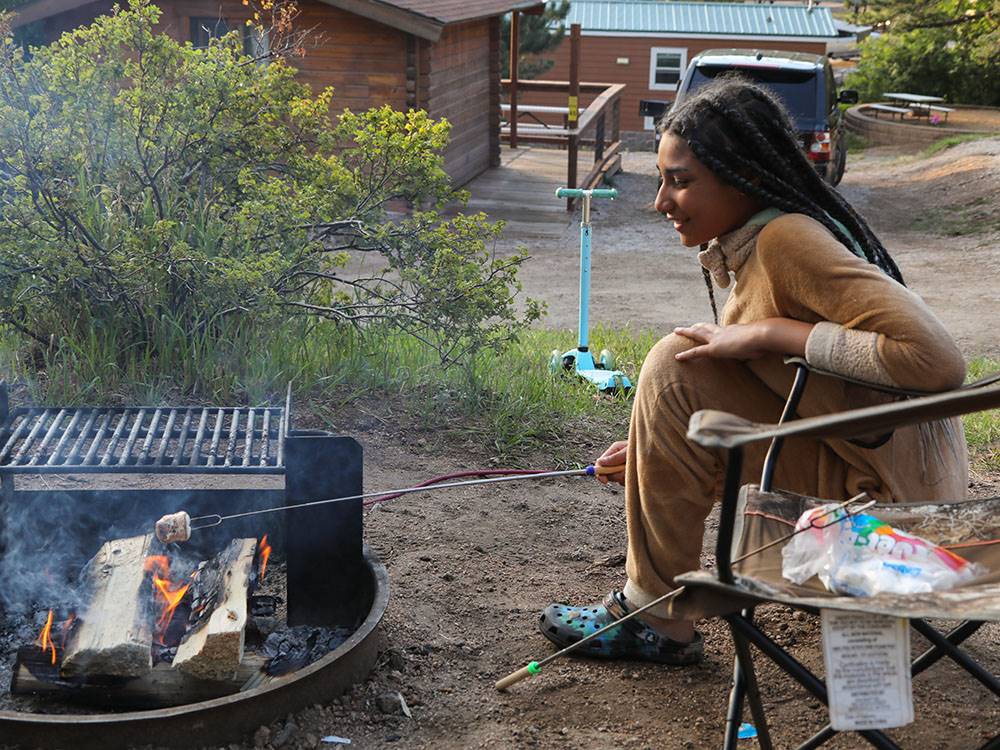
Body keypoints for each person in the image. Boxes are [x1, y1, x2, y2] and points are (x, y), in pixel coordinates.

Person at [538, 76, 968, 665]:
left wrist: (770, 333)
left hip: (896, 533)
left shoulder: (788, 240)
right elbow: (798, 393)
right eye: (663, 180)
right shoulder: (762, 239)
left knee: (673, 360)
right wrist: (654, 451)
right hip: (869, 488)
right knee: (684, 369)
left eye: (680, 181)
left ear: (745, 177)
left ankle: (657, 618)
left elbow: (938, 362)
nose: (660, 201)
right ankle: (656, 612)